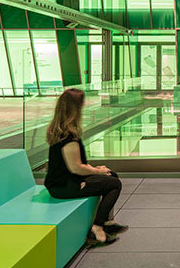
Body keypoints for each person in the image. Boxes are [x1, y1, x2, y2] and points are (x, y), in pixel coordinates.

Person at [45, 88, 127, 245]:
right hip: (64, 186)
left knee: (111, 175)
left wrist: (98, 170)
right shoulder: (68, 136)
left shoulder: (60, 130)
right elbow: (75, 168)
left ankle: (108, 223)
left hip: (63, 180)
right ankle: (97, 229)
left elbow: (74, 164)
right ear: (75, 109)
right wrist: (97, 171)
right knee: (114, 184)